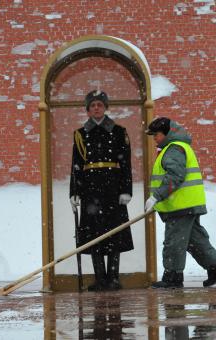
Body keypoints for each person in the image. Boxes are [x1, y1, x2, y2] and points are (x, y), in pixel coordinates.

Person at [144, 117, 216, 288]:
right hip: (187, 204)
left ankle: (173, 277)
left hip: (180, 206)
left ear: (167, 134)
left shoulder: (174, 149)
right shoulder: (177, 147)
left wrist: (156, 196)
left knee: (174, 241)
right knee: (195, 241)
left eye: (157, 135)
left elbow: (175, 176)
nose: (154, 139)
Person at [69, 90, 134, 291]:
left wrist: (126, 190)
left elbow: (126, 164)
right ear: (88, 110)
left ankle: (113, 277)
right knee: (94, 234)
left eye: (100, 104)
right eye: (93, 105)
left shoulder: (118, 131)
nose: (96, 108)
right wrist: (74, 192)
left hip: (113, 190)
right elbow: (76, 166)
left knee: (114, 233)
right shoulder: (80, 135)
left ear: (105, 107)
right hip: (91, 191)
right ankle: (100, 278)